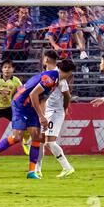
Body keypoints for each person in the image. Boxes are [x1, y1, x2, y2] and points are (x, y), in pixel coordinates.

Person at [0, 59, 76, 179]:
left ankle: (31, 172)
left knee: (37, 136)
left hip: (31, 106)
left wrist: (42, 114)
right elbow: (33, 94)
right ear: (69, 72)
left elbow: (41, 98)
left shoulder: (55, 78)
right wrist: (41, 116)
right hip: (20, 104)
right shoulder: (51, 78)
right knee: (17, 137)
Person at [35, 50, 74, 178]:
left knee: (49, 142)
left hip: (55, 112)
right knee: (40, 141)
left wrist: (65, 108)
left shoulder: (58, 76)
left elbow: (67, 95)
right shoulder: (47, 74)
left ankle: (67, 167)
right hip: (47, 111)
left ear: (46, 59)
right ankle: (37, 168)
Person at [0, 59, 31, 156]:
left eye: (9, 67)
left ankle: (25, 142)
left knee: (25, 124)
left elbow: (21, 93)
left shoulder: (16, 81)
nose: (7, 69)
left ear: (13, 69)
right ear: (2, 69)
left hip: (10, 108)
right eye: (5, 67)